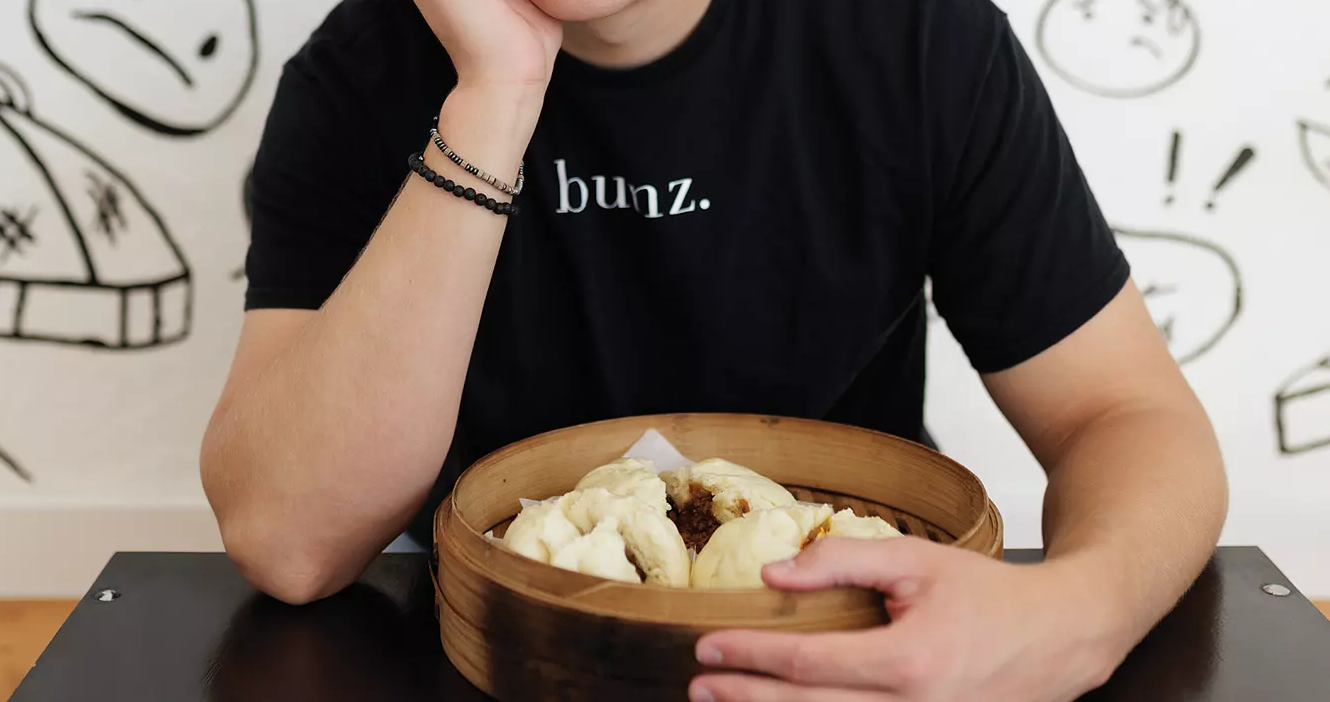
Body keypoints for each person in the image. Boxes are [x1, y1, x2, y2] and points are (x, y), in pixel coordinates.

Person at [199, 0, 1229, 699]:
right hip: (525, 658)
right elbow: (292, 541)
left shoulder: (914, 36)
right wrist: (498, 95)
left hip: (848, 650)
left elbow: (1124, 413)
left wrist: (1078, 617)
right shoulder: (358, 72)